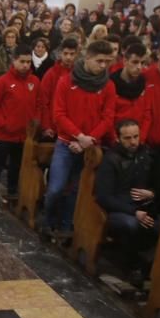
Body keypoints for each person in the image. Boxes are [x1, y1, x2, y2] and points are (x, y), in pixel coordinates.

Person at [43, 41, 117, 239]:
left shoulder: (108, 86)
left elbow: (108, 118)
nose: (103, 66)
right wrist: (79, 136)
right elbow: (59, 114)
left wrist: (88, 140)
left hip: (91, 148)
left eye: (107, 62)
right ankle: (48, 220)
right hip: (66, 144)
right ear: (87, 58)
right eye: (99, 61)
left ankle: (67, 226)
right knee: (56, 188)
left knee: (77, 191)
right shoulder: (66, 81)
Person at [95, 119, 159, 284]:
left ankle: (148, 267)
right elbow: (104, 197)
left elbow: (158, 183)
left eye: (136, 137)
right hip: (118, 209)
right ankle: (129, 267)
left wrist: (151, 193)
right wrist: (134, 212)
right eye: (127, 138)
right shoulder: (111, 159)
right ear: (118, 138)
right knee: (131, 225)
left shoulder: (146, 154)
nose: (133, 142)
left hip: (142, 206)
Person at [0, 44, 41, 211]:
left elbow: (39, 104)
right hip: (4, 134)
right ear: (14, 60)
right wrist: (4, 123)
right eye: (22, 61)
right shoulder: (2, 81)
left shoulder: (35, 81)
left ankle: (12, 193)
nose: (25, 65)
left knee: (16, 166)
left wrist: (36, 122)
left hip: (24, 135)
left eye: (28, 62)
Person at [107, 42, 151, 145]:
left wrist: (141, 139)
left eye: (143, 63)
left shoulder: (145, 84)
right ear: (125, 61)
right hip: (115, 142)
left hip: (137, 142)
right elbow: (107, 116)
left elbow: (147, 114)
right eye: (135, 62)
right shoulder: (110, 84)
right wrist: (115, 139)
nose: (139, 67)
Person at [40, 38, 79, 138]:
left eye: (72, 54)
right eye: (65, 53)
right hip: (54, 127)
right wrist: (46, 126)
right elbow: (43, 102)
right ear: (60, 53)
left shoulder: (80, 74)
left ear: (76, 54)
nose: (68, 57)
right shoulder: (50, 74)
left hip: (74, 127)